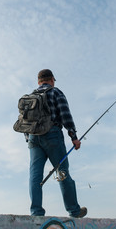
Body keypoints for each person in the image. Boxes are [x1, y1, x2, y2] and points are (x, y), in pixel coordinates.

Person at [27, 69, 87, 218]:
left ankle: (36, 212)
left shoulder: (31, 97)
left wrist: (29, 139)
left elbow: (25, 121)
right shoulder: (55, 92)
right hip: (52, 135)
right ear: (52, 79)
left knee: (35, 176)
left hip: (34, 138)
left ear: (38, 81)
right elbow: (65, 114)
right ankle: (74, 210)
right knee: (62, 173)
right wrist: (74, 136)